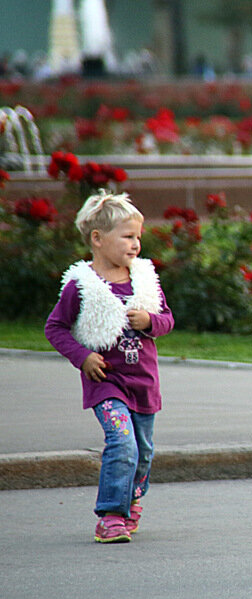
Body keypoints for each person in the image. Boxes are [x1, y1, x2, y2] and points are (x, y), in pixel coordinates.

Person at [44, 191, 174, 543]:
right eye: (127, 237)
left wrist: (149, 320)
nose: (135, 245)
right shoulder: (82, 286)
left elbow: (167, 321)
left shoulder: (145, 279)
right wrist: (82, 357)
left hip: (144, 382)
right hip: (107, 383)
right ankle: (111, 515)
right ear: (98, 239)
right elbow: (54, 327)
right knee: (122, 442)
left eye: (138, 237)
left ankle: (131, 501)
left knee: (143, 452)